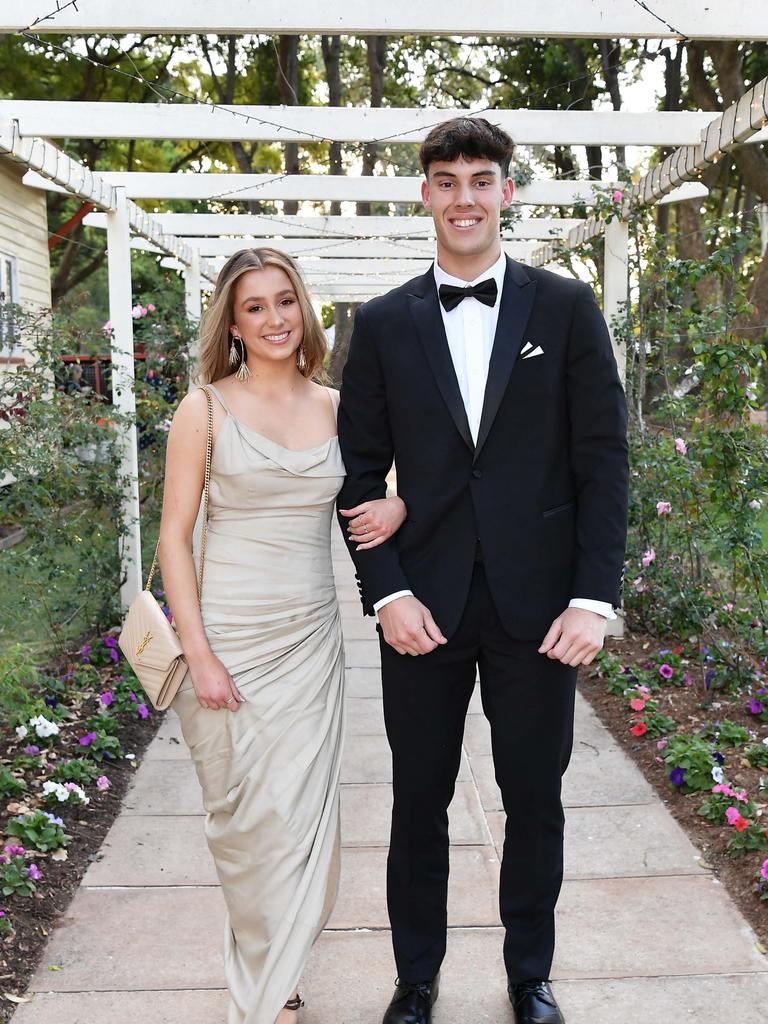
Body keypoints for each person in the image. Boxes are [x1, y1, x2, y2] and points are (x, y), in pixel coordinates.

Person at [337, 118, 629, 1024]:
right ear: (424, 194)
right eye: (447, 180)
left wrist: (594, 599)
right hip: (422, 604)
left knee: (533, 800)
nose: (464, 197)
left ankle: (530, 976)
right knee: (417, 799)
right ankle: (415, 979)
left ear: (508, 191)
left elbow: (603, 461)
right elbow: (357, 479)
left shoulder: (566, 307)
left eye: (481, 179)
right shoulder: (382, 324)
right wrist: (384, 592)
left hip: (539, 609)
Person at [158, 247, 408, 1024]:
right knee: (244, 827)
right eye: (255, 307)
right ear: (232, 323)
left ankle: (279, 988)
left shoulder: (338, 407)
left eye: (284, 301)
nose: (274, 319)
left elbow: (386, 490)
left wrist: (398, 504)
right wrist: (197, 653)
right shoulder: (204, 408)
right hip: (227, 638)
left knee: (301, 823)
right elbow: (173, 537)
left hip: (309, 642)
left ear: (304, 310)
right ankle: (268, 985)